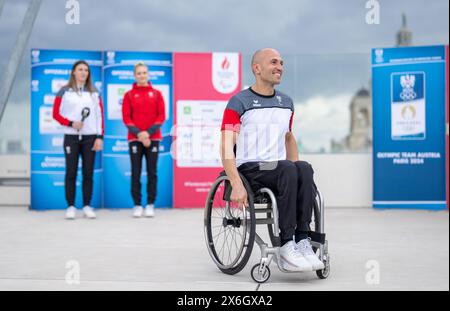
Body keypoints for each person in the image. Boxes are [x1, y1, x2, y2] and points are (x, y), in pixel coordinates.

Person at [220, 48, 324, 272]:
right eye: (274, 62)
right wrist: (236, 183)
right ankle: (286, 244)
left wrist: (297, 172)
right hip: (251, 168)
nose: (280, 67)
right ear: (257, 68)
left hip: (278, 169)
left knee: (303, 168)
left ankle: (303, 239)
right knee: (287, 167)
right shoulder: (238, 102)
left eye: (282, 63)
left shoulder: (286, 102)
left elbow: (288, 137)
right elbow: (226, 144)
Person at [53, 60, 104, 220]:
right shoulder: (64, 91)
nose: (83, 72)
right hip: (71, 138)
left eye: (86, 70)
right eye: (80, 69)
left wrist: (99, 137)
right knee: (71, 172)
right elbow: (55, 114)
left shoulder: (94, 92)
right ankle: (70, 206)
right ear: (73, 72)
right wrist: (70, 123)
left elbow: (99, 116)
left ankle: (87, 206)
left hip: (90, 138)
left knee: (88, 173)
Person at [122, 62, 166, 218]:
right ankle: (137, 205)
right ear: (135, 76)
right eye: (139, 73)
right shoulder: (128, 95)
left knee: (152, 172)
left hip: (153, 139)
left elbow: (161, 116)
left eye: (144, 73)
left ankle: (150, 204)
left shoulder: (157, 93)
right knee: (136, 172)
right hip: (134, 139)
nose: (142, 75)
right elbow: (126, 118)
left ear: (148, 74)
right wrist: (140, 135)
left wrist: (147, 133)